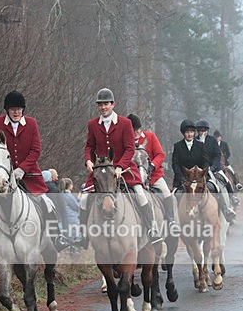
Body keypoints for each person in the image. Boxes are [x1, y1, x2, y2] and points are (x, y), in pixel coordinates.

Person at [0, 90, 66, 255]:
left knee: (46, 203)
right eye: (13, 109)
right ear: (7, 110)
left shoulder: (31, 123)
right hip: (3, 176)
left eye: (19, 109)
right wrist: (5, 171)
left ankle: (56, 238)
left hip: (29, 176)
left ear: (23, 109)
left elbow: (36, 150)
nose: (16, 112)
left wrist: (22, 168)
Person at [74, 88, 162, 248]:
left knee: (141, 195)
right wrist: (88, 161)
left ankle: (152, 230)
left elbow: (130, 149)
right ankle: (82, 235)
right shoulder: (93, 124)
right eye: (100, 104)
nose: (103, 107)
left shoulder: (125, 123)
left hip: (125, 170)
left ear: (113, 104)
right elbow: (89, 146)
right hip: (101, 172)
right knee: (85, 200)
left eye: (106, 104)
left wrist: (120, 166)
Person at [172, 120, 236, 222]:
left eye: (191, 132)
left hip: (200, 176)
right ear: (184, 133)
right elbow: (175, 163)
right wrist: (180, 176)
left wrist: (203, 172)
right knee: (174, 196)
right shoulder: (177, 146)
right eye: (187, 132)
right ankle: (173, 221)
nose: (189, 134)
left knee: (216, 188)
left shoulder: (200, 145)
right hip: (184, 178)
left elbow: (205, 161)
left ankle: (226, 210)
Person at [127, 113, 180, 235]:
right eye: (133, 131)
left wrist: (153, 165)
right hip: (134, 177)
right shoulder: (126, 141)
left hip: (153, 175)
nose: (136, 133)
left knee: (167, 193)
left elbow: (160, 155)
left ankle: (172, 221)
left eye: (138, 130)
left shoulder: (150, 137)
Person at [60, 177, 81, 242]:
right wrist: (81, 199)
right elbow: (76, 206)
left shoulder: (62, 194)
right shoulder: (68, 195)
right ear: (69, 185)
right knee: (74, 235)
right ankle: (74, 249)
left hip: (67, 217)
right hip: (72, 218)